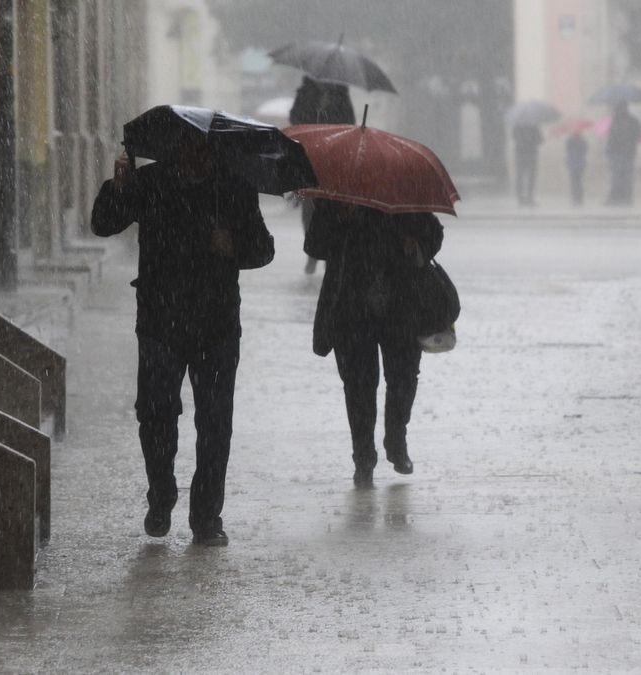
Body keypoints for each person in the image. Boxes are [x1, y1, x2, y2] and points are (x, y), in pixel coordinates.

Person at [91, 135, 275, 547]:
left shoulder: (235, 188)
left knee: (214, 424)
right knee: (154, 414)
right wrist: (117, 188)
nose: (195, 155)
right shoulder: (152, 182)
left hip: (217, 325)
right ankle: (161, 494)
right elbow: (103, 224)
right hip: (160, 320)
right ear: (175, 147)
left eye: (202, 148)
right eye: (187, 146)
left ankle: (207, 517)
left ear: (214, 151)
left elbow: (263, 249)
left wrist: (234, 246)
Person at [305, 200, 444, 489]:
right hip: (351, 308)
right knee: (358, 385)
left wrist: (416, 243)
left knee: (403, 377)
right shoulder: (338, 196)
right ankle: (364, 456)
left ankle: (396, 438)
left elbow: (434, 234)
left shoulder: (403, 193)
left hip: (402, 305)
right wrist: (339, 218)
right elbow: (315, 246)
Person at [289, 76, 357, 274]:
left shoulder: (341, 94)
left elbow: (348, 123)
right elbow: (295, 118)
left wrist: (329, 114)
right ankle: (312, 251)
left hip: (335, 157)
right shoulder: (305, 92)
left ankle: (329, 253)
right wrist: (314, 115)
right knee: (308, 208)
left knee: (330, 207)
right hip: (309, 155)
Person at [605, 102, 641, 205]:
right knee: (627, 176)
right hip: (629, 152)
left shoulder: (614, 121)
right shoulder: (634, 121)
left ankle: (615, 198)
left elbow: (611, 138)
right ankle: (627, 198)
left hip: (616, 152)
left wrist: (609, 151)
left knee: (616, 176)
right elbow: (639, 136)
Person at [512, 123, 543, 206]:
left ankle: (521, 198)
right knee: (530, 177)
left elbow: (515, 138)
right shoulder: (534, 126)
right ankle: (529, 197)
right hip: (531, 154)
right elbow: (540, 140)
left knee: (520, 176)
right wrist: (532, 140)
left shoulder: (517, 127)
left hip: (520, 154)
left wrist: (523, 141)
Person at [565, 131, 589, 207]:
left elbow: (567, 150)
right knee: (579, 181)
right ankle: (579, 197)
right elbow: (585, 151)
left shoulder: (570, 141)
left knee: (574, 181)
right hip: (580, 164)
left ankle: (575, 197)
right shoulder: (583, 141)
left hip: (573, 163)